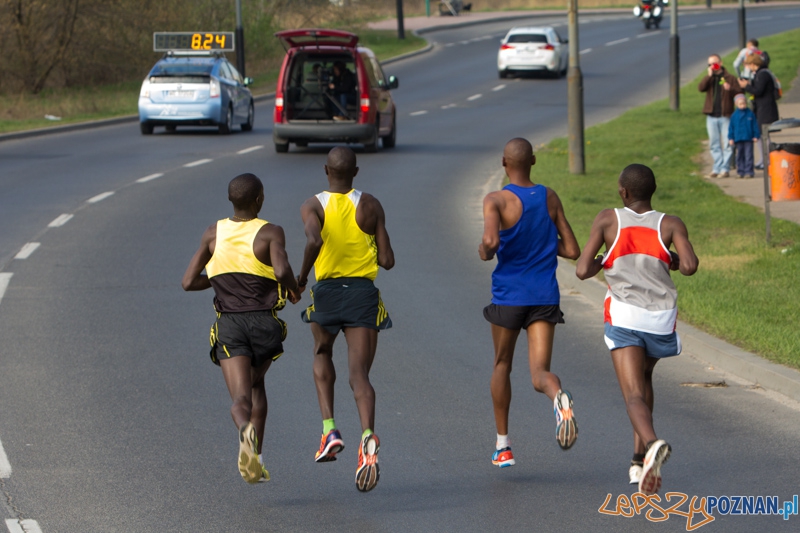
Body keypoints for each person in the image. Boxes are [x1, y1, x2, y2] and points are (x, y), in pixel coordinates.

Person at [575, 164, 698, 496]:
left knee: (632, 394)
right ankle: (638, 460)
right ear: (653, 191)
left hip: (625, 317)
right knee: (644, 382)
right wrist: (670, 256)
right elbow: (689, 266)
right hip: (660, 320)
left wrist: (603, 259)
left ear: (623, 192)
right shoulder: (670, 224)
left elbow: (582, 270)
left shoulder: (607, 220)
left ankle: (652, 443)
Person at [182, 173, 302, 484]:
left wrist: (222, 275)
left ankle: (244, 431)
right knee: (256, 387)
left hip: (231, 326)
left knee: (240, 399)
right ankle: (256, 461)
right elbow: (280, 269)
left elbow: (187, 282)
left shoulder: (213, 233)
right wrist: (293, 288)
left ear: (230, 200)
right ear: (260, 199)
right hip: (265, 324)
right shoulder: (271, 232)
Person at [297, 147, 395, 492]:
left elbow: (312, 239)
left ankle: (329, 429)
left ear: (326, 170)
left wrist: (302, 275)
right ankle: (368, 435)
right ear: (356, 171)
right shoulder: (370, 205)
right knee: (359, 376)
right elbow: (387, 260)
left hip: (325, 293)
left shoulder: (313, 205)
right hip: (361, 295)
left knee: (322, 353)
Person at [479, 138, 581, 468]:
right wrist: (542, 244)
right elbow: (572, 249)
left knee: (501, 365)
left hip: (509, 295)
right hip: (544, 296)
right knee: (540, 373)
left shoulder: (495, 200)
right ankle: (559, 399)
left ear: (504, 163)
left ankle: (503, 446)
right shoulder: (548, 196)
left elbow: (491, 242)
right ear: (533, 161)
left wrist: (485, 251)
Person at [698, 54, 742, 178]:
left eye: (715, 63)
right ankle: (716, 168)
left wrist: (730, 89)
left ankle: (725, 169)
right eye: (710, 64)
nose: (713, 66)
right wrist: (709, 76)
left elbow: (740, 92)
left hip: (725, 115)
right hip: (711, 116)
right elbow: (701, 88)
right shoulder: (710, 78)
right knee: (714, 143)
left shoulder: (730, 78)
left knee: (728, 143)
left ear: (720, 63)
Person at [738, 54, 779, 170]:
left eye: (748, 65)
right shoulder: (758, 74)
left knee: (763, 134)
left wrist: (746, 86)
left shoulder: (763, 74)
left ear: (753, 64)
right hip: (761, 108)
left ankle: (768, 159)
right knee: (760, 134)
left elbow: (758, 91)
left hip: (766, 108)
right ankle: (764, 158)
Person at [728, 93, 760, 178]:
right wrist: (731, 138)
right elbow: (731, 127)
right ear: (736, 104)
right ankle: (740, 171)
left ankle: (749, 171)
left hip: (748, 138)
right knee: (740, 156)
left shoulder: (750, 114)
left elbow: (755, 125)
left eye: (744, 103)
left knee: (748, 155)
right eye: (740, 104)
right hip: (738, 138)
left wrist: (756, 135)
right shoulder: (734, 116)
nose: (743, 105)